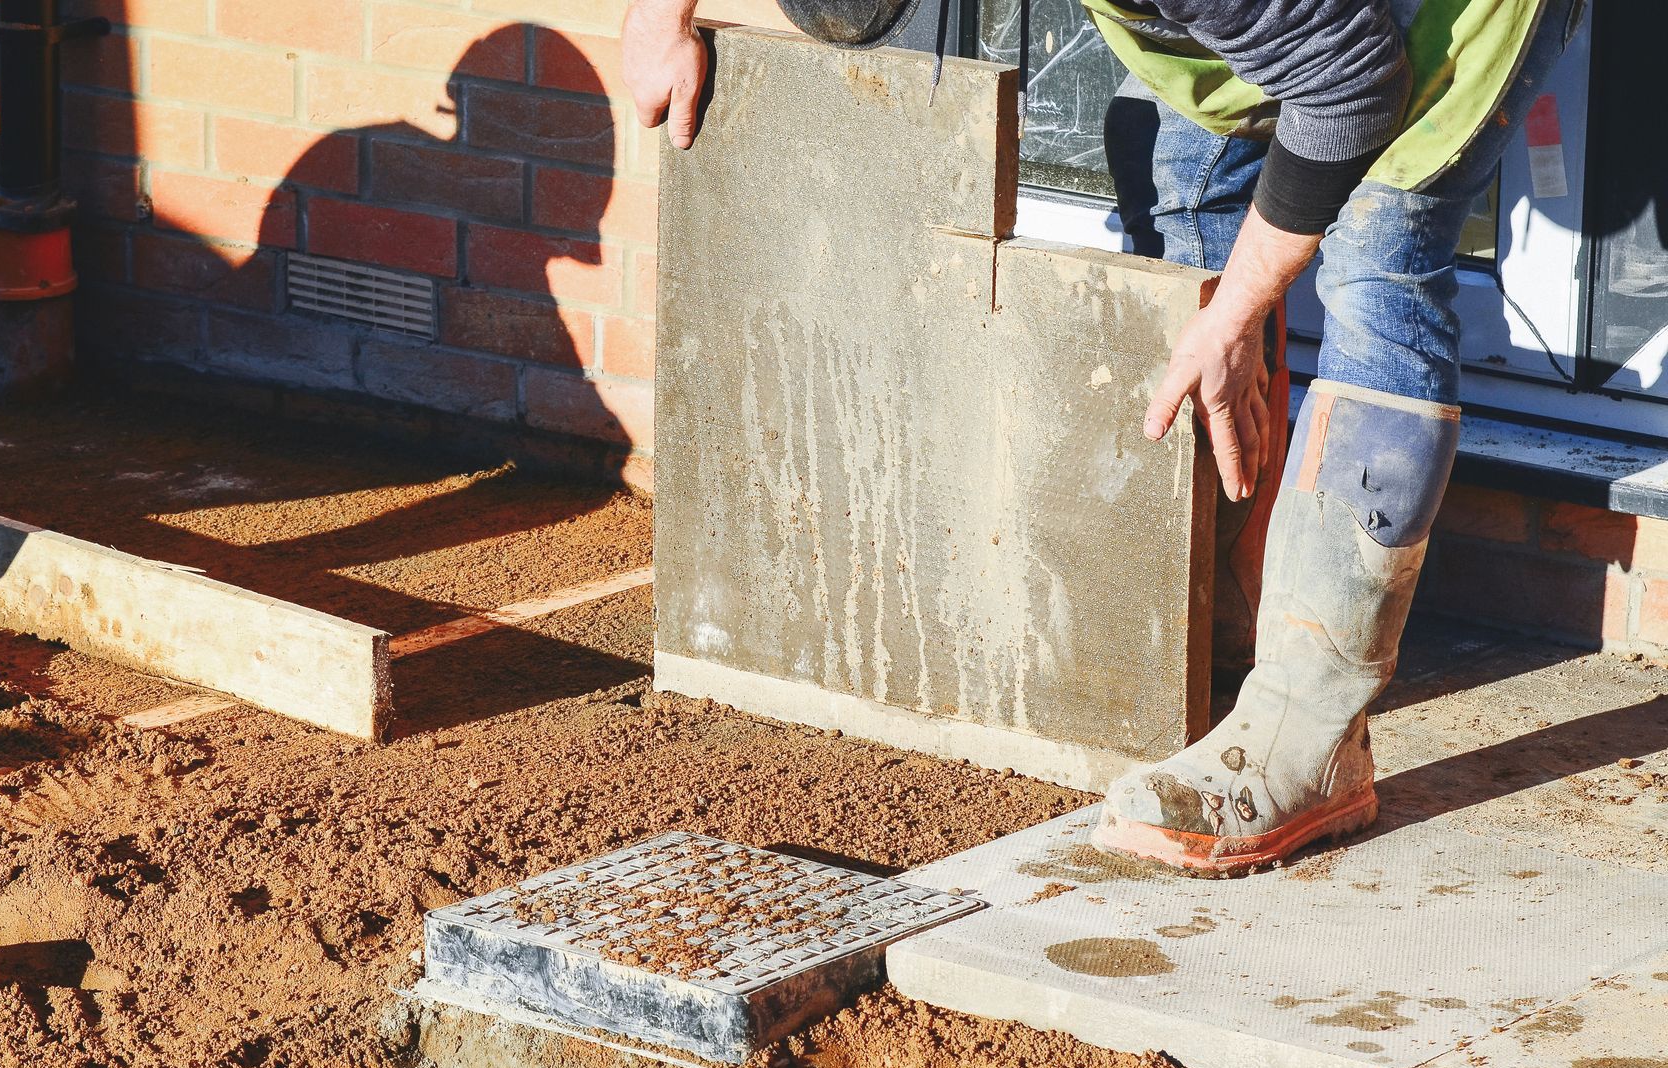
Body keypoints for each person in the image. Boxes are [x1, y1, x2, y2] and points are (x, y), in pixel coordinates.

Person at [622, 0, 1581, 875]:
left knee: (1380, 249)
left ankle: (1312, 728)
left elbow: (1351, 81)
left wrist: (1239, 312)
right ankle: (1231, 595)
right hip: (1298, 26)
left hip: (1431, 28)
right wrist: (660, 16)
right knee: (1197, 181)